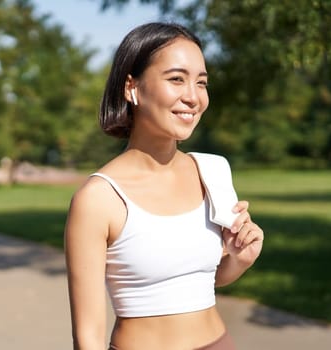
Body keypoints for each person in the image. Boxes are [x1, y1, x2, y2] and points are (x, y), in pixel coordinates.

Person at [64, 22, 264, 350]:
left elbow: (197, 283)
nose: (193, 97)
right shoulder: (99, 198)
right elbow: (87, 337)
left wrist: (239, 259)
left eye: (202, 83)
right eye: (176, 79)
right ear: (132, 88)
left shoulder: (213, 170)